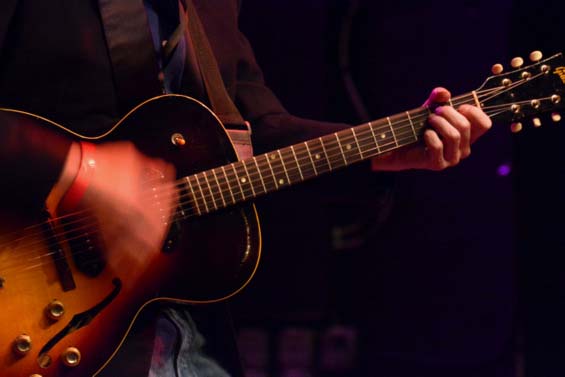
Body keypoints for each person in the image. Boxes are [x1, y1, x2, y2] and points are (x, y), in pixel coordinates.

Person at [0, 0, 491, 376]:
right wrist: (80, 170)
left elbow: (256, 133)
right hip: (41, 316)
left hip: (184, 335)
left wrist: (385, 152)